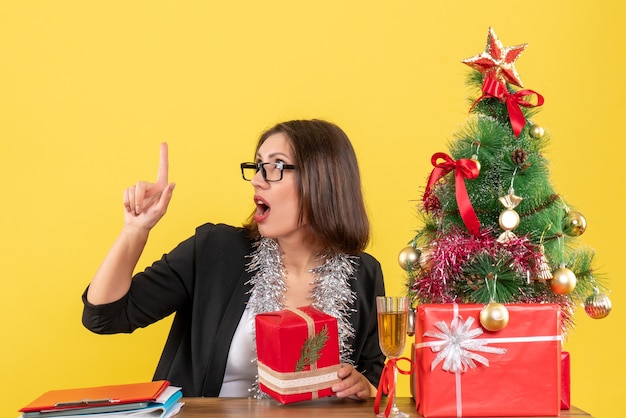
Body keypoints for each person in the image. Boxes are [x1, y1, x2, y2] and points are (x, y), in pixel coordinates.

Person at [82, 119, 386, 400]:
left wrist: (365, 386)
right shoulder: (215, 249)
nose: (257, 180)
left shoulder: (364, 273)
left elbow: (375, 372)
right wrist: (135, 230)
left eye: (276, 166)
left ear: (323, 180)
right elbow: (105, 316)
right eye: (257, 166)